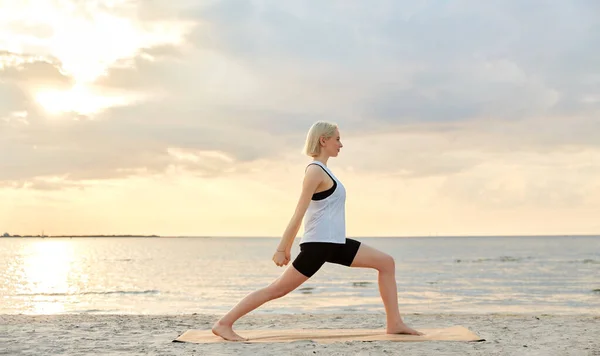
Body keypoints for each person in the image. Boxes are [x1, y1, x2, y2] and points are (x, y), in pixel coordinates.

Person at [212, 121, 422, 341]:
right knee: (276, 290)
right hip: (319, 246)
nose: (341, 144)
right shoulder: (314, 172)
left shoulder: (325, 171)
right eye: (337, 139)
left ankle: (394, 322)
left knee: (386, 263)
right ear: (324, 140)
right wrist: (282, 248)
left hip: (335, 243)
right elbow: (298, 212)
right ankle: (224, 323)